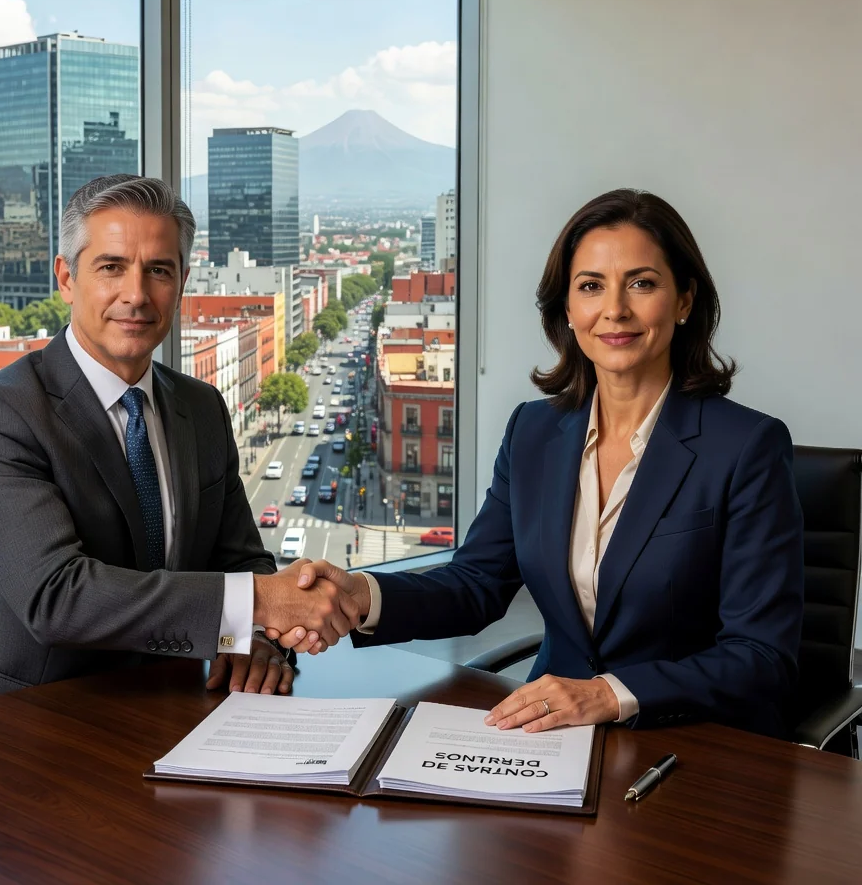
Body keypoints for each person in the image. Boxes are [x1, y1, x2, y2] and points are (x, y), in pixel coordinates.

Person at [282, 189, 804, 738]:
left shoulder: (747, 447)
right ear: (568, 309)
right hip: (552, 737)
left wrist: (609, 693)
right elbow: (477, 582)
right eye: (591, 286)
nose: (615, 309)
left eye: (642, 283)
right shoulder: (533, 431)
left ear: (684, 301)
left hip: (695, 742)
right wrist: (362, 596)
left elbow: (762, 656)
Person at [0, 175, 355, 702]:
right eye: (111, 267)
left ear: (181, 284)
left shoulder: (201, 407)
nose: (136, 295)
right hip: (22, 713)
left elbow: (241, 557)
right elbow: (56, 598)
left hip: (172, 699)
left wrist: (253, 637)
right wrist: (259, 603)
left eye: (158, 270)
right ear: (66, 278)